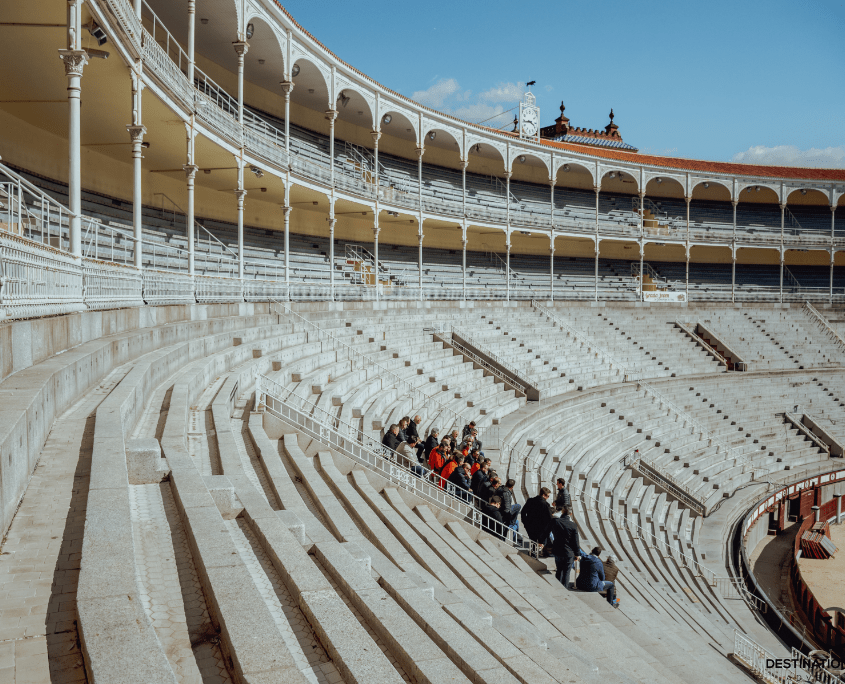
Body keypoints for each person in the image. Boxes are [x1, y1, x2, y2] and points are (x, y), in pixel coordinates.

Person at [548, 506, 579, 589]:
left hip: (558, 550)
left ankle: (557, 588)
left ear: (562, 512)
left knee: (559, 570)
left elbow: (547, 531)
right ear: (571, 514)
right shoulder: (573, 525)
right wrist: (577, 554)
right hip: (569, 553)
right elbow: (575, 541)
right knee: (566, 573)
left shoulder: (555, 522)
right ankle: (564, 589)